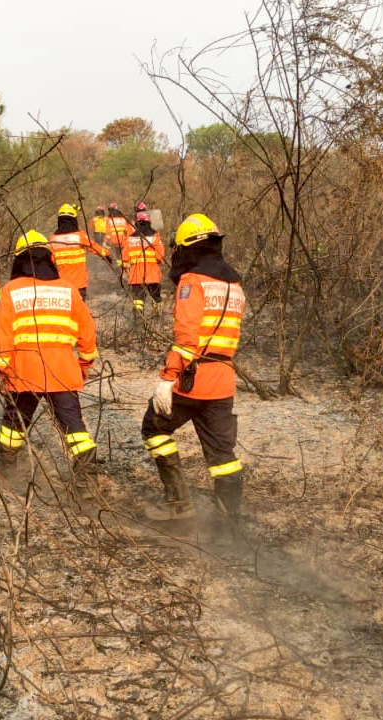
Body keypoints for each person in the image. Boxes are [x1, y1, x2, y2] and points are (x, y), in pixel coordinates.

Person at [140, 213, 246, 522]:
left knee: (154, 428)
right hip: (224, 380)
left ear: (189, 248)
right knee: (223, 456)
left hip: (192, 379)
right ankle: (228, 526)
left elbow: (186, 338)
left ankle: (178, 504)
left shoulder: (191, 282)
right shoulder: (234, 285)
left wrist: (167, 379)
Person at [0, 230, 100, 486]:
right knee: (74, 427)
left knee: (14, 424)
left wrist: (2, 373)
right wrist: (83, 365)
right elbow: (87, 334)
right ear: (50, 260)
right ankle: (86, 481)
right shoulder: (68, 290)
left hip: (23, 372)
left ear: (19, 261)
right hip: (62, 371)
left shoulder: (10, 291)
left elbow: (2, 340)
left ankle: (7, 469)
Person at [49, 203, 112, 301]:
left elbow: (49, 260)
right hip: (79, 283)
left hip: (62, 284)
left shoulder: (53, 239)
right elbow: (93, 247)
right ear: (73, 220)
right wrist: (107, 255)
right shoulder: (79, 236)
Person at [122, 211, 166, 312]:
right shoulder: (155, 237)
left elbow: (125, 258)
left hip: (136, 275)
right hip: (152, 274)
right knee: (156, 297)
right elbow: (160, 256)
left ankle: (138, 319)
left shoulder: (130, 239)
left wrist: (126, 269)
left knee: (138, 300)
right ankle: (158, 315)